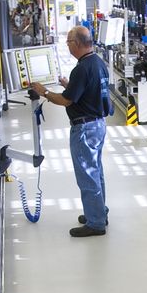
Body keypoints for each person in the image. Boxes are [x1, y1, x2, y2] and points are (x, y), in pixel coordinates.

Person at [27, 26, 112, 238]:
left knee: (87, 174)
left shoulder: (81, 69)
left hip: (84, 129)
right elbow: (87, 92)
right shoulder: (97, 62)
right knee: (96, 171)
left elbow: (65, 101)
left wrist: (44, 91)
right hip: (98, 125)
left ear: (77, 44)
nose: (67, 46)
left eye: (68, 43)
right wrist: (69, 85)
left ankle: (96, 223)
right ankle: (99, 212)